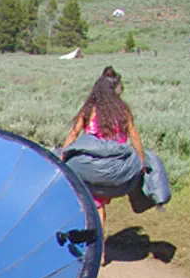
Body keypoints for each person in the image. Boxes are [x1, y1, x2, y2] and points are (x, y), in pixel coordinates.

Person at [62, 65, 146, 228]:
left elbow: (73, 134)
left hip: (91, 166)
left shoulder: (89, 110)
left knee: (95, 205)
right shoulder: (123, 111)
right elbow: (134, 136)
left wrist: (62, 157)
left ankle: (95, 243)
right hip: (115, 168)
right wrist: (141, 162)